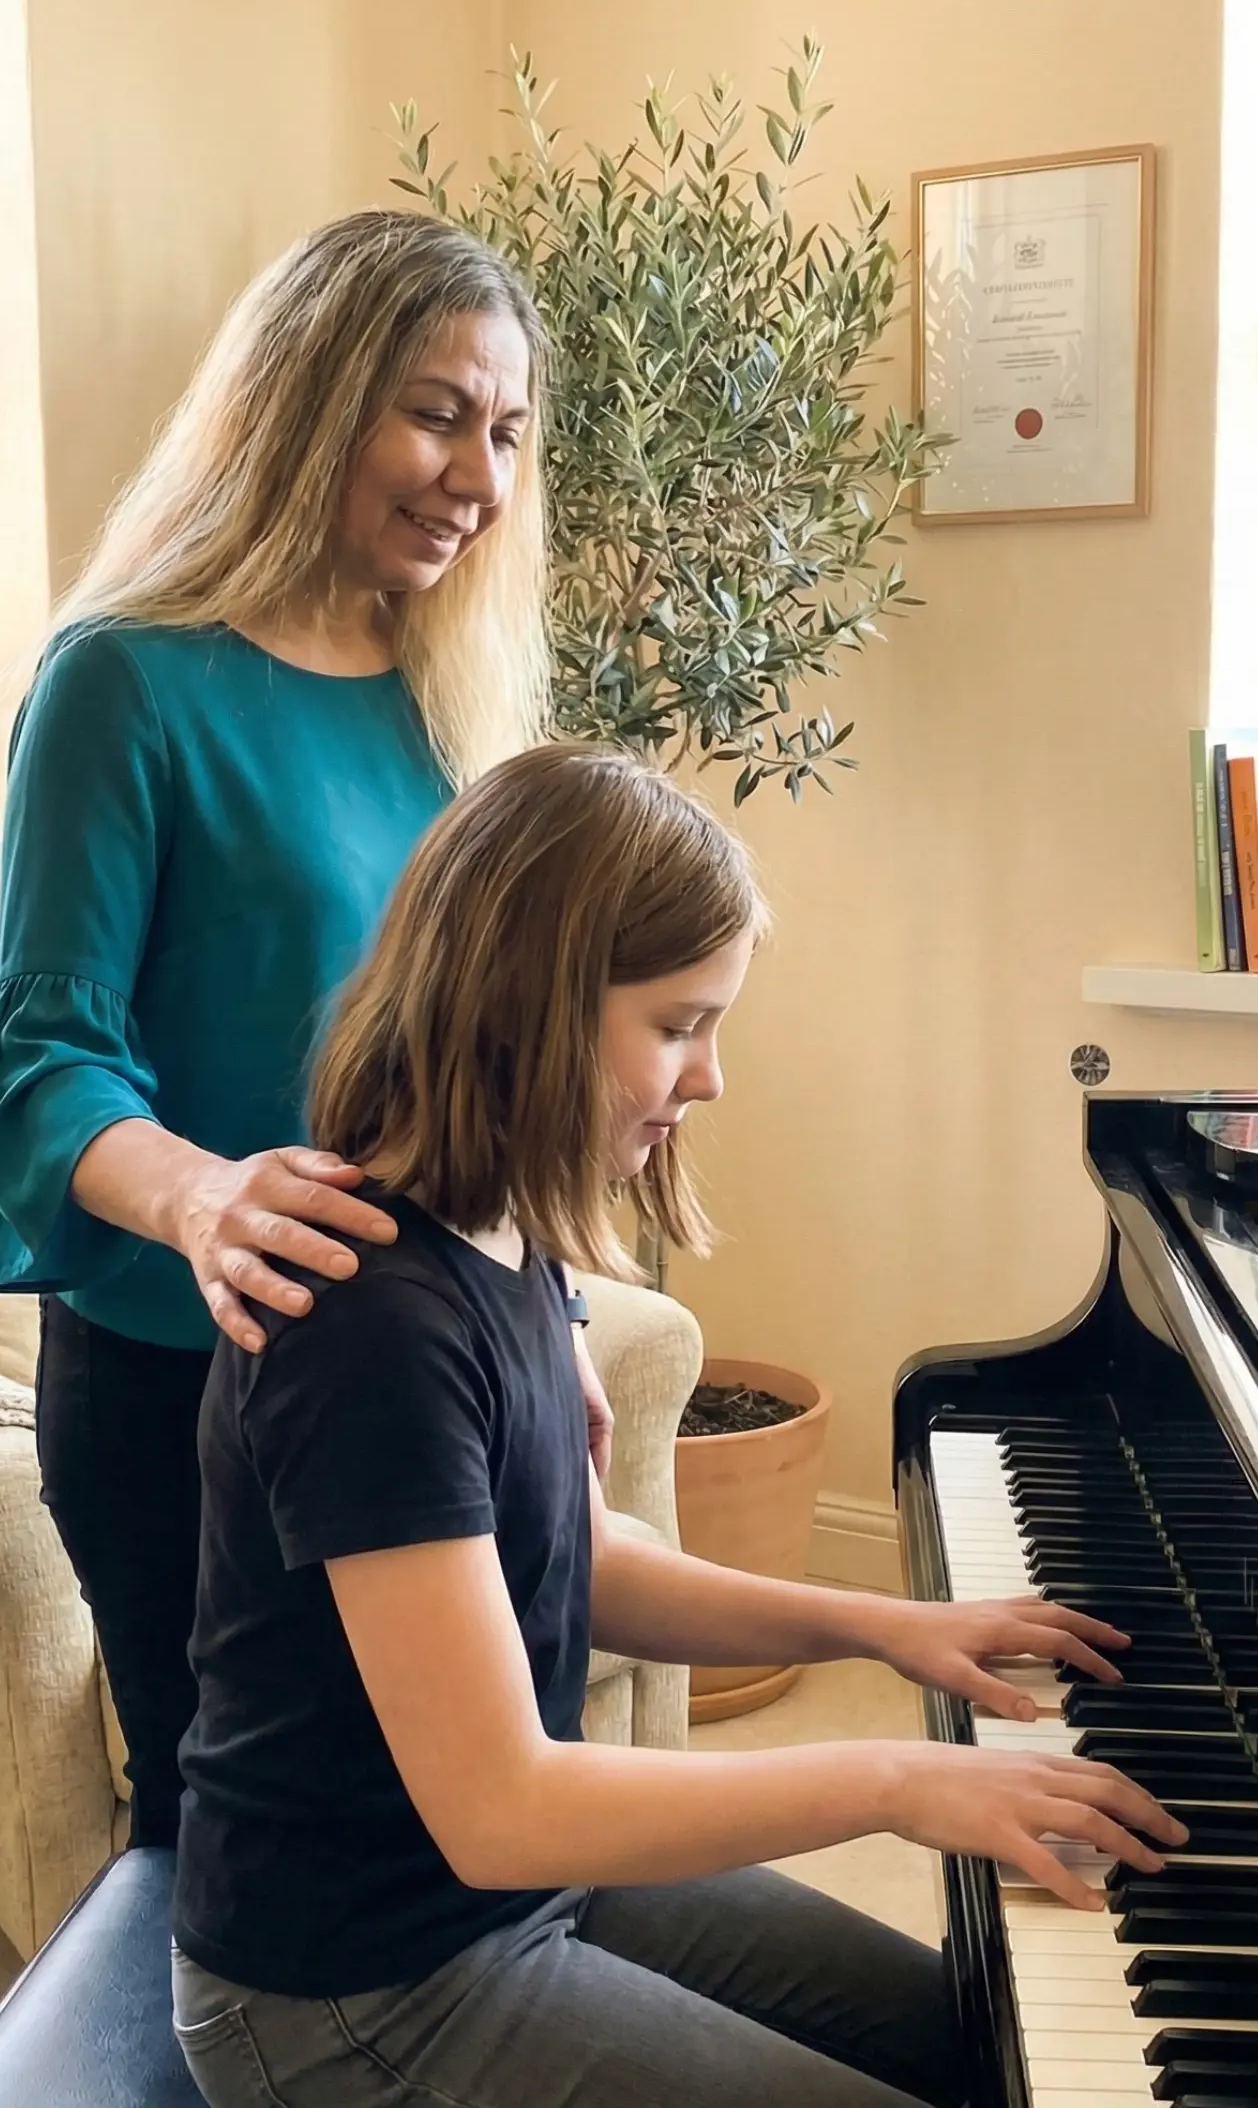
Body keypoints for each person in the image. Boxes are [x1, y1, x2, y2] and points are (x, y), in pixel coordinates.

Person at [169, 741, 1185, 2108]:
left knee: (980, 2052)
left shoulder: (501, 1236)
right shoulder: (367, 1326)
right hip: (356, 1992)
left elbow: (585, 1563)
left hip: (516, 1896)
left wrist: (883, 1628)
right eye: (677, 1024)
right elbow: (501, 1807)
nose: (707, 1079)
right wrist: (891, 1780)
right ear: (524, 1008)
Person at [0, 208, 614, 1850]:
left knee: (452, 1839)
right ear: (304, 397)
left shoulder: (447, 697)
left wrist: (542, 1309)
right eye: (433, 411)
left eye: (506, 431)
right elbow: (40, 1059)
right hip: (179, 1384)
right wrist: (208, 1199)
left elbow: (473, 1070)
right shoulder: (123, 683)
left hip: (416, 1366)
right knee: (248, 1859)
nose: (475, 475)